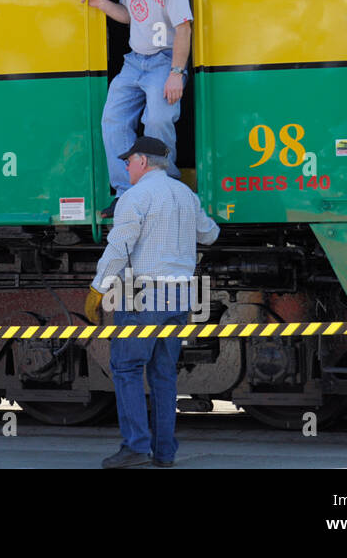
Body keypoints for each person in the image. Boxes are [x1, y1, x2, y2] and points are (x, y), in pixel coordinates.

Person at [84, 136, 219, 468]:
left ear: (143, 161)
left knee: (127, 367)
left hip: (145, 296)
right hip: (182, 297)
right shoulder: (186, 195)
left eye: (128, 161)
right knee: (163, 373)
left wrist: (98, 289)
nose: (126, 167)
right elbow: (211, 234)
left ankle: (135, 447)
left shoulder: (135, 197)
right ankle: (164, 452)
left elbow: (118, 249)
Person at [81, 0, 193, 218]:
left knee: (157, 118)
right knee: (113, 119)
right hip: (134, 60)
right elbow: (130, 15)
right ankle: (127, 194)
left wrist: (176, 74)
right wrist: (101, 3)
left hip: (165, 59)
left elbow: (184, 29)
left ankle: (163, 187)